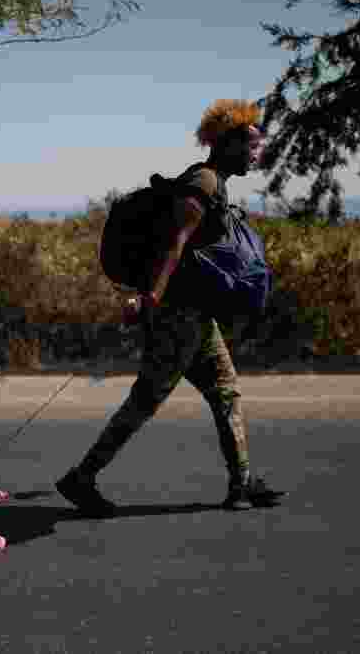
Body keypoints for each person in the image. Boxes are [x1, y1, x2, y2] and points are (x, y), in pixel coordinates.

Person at [56, 99, 285, 516]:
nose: (257, 154)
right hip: (177, 314)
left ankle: (242, 483)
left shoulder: (214, 182)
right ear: (227, 143)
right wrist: (153, 298)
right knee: (147, 398)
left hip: (195, 313)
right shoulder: (203, 183)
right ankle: (82, 477)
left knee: (225, 391)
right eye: (251, 147)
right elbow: (174, 244)